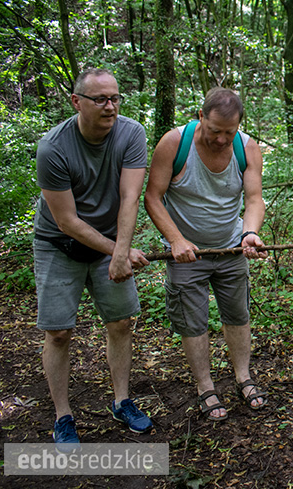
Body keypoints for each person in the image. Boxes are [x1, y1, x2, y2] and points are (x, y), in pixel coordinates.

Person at [33, 68, 153, 447]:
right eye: (100, 99)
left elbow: (131, 196)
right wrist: (117, 252)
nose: (110, 106)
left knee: (120, 323)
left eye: (115, 98)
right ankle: (63, 416)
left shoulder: (131, 133)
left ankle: (121, 401)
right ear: (77, 102)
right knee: (59, 333)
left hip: (111, 243)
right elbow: (66, 221)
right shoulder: (53, 148)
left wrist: (120, 252)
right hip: (59, 245)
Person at [144, 87, 267, 422]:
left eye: (230, 132)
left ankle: (243, 376)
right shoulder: (174, 143)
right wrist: (175, 240)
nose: (222, 140)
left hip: (231, 247)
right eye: (215, 131)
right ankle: (205, 387)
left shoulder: (246, 147)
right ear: (200, 117)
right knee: (193, 321)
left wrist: (250, 232)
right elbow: (153, 197)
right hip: (187, 254)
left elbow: (254, 199)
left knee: (237, 314)